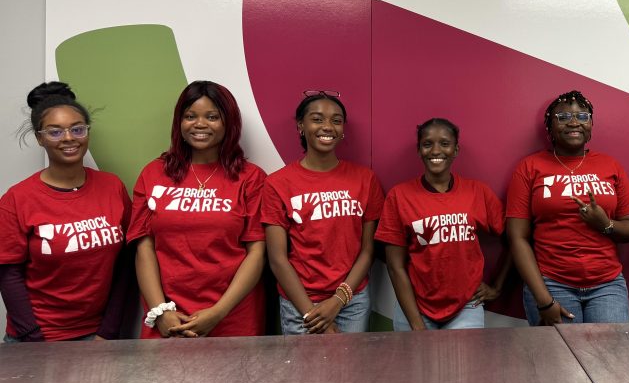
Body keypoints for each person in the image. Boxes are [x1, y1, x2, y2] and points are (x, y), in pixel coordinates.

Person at [128, 80, 266, 338]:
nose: (200, 124)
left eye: (212, 117)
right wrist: (160, 311)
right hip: (169, 318)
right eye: (190, 116)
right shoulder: (154, 173)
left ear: (229, 123)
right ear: (179, 123)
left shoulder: (251, 178)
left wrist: (219, 312)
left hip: (232, 317)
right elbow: (144, 247)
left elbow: (256, 252)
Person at [0, 82, 132, 342]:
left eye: (77, 129)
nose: (69, 138)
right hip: (36, 340)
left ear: (87, 133)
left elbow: (127, 261)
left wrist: (108, 331)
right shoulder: (17, 199)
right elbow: (8, 274)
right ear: (40, 138)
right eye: (55, 132)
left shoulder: (112, 187)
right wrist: (34, 338)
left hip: (98, 337)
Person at [506, 90, 629, 325]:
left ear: (591, 124)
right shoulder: (529, 167)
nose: (574, 122)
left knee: (610, 360)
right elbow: (517, 238)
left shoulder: (610, 165)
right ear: (550, 126)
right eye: (564, 117)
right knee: (559, 362)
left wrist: (605, 224)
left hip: (607, 286)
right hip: (551, 283)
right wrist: (543, 300)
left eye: (582, 116)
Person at [261, 91, 383, 334]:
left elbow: (368, 250)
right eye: (317, 119)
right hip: (300, 304)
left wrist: (338, 300)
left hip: (351, 302)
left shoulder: (365, 180)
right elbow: (277, 259)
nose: (327, 126)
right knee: (305, 372)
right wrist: (312, 314)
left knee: (351, 371)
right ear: (301, 126)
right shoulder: (277, 183)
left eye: (336, 120)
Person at [376, 118, 509, 330]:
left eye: (445, 144)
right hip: (414, 307)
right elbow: (395, 266)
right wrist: (416, 325)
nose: (436, 150)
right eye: (428, 144)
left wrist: (497, 287)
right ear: (419, 150)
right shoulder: (399, 196)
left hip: (466, 306)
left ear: (456, 150)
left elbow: (515, 238)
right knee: (415, 364)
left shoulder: (478, 192)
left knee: (463, 365)